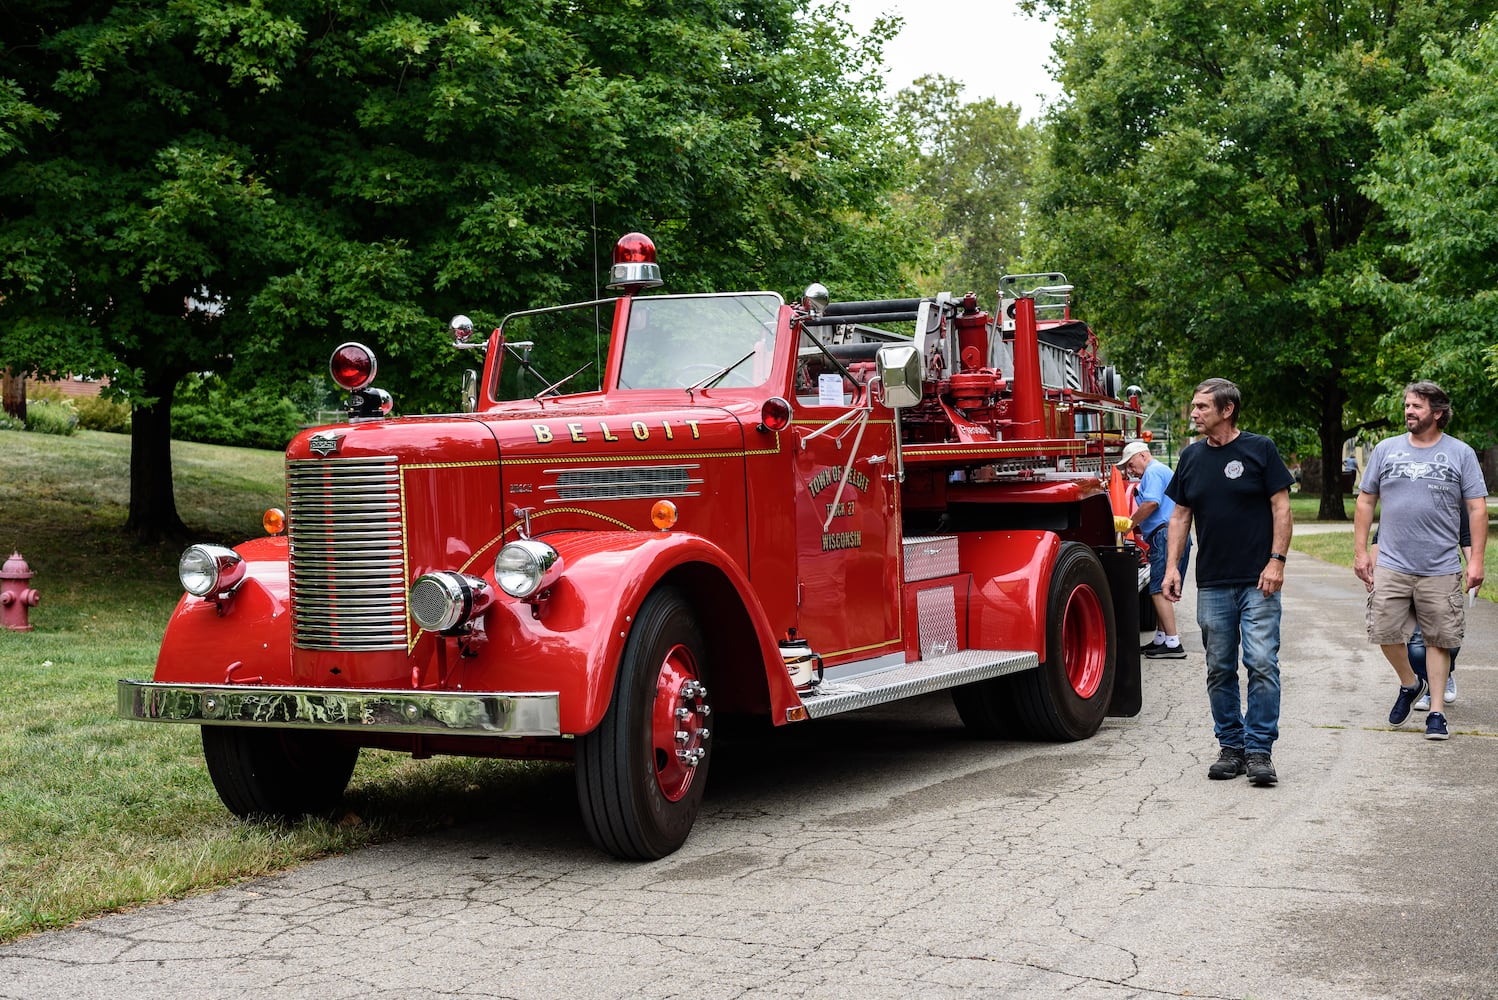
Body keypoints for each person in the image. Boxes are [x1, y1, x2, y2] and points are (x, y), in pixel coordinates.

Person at [1163, 378, 1293, 786]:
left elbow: (1281, 507)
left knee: (1261, 663)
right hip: (1214, 582)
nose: (1194, 413)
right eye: (1194, 406)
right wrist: (1172, 568)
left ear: (1227, 410)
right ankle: (1231, 747)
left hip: (1259, 580)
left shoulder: (1260, 449)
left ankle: (1259, 751)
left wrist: (1277, 561)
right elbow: (1181, 516)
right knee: (1219, 668)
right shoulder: (1191, 457)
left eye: (1202, 407)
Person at [1353, 381, 1487, 740]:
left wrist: (1476, 561)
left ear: (1438, 413)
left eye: (1417, 406)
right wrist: (1361, 551)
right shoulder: (1386, 449)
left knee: (1438, 640)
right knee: (1383, 630)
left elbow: (1476, 509)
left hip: (1441, 565)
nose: (1409, 411)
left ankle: (1437, 713)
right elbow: (1366, 501)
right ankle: (1411, 684)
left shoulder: (1461, 453)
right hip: (1392, 562)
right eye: (1407, 405)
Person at [1115, 440, 1192, 658]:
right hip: (1172, 534)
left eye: (1130, 465)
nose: (1131, 471)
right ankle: (1162, 639)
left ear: (1142, 455)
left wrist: (1130, 523)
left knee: (1158, 589)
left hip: (1165, 534)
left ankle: (1173, 643)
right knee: (1164, 589)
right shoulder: (1160, 471)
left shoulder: (1153, 472)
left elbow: (1151, 503)